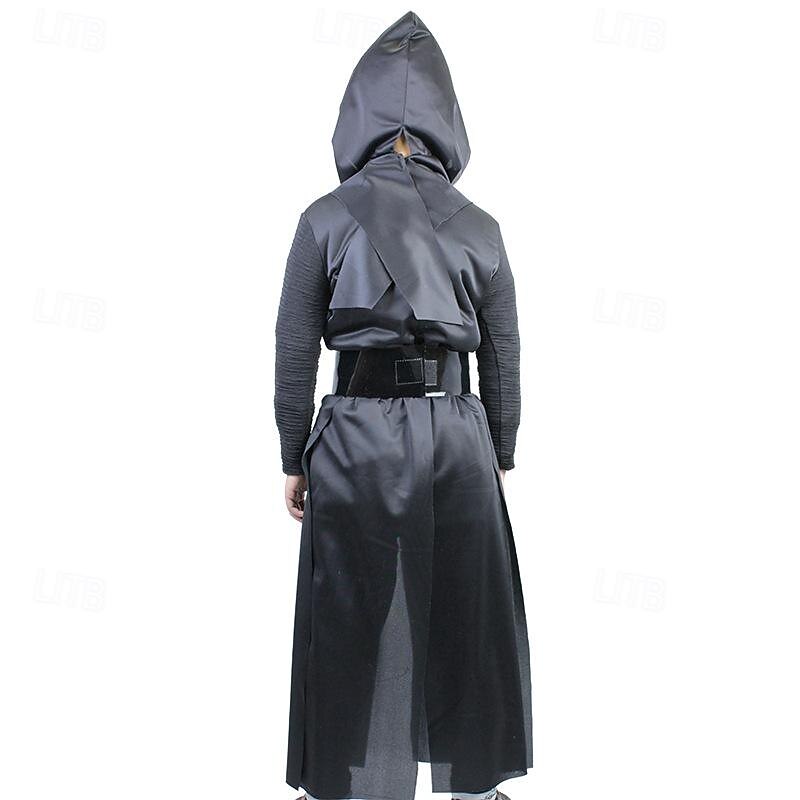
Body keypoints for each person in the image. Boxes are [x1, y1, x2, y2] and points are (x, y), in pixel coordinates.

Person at [274, 11, 532, 800]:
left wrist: (292, 454)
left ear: (357, 112)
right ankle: (475, 789)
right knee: (467, 615)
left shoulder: (324, 218)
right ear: (447, 119)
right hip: (457, 440)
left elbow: (294, 351)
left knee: (348, 616)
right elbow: (503, 354)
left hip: (355, 439)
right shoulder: (481, 228)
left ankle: (351, 787)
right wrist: (500, 450)